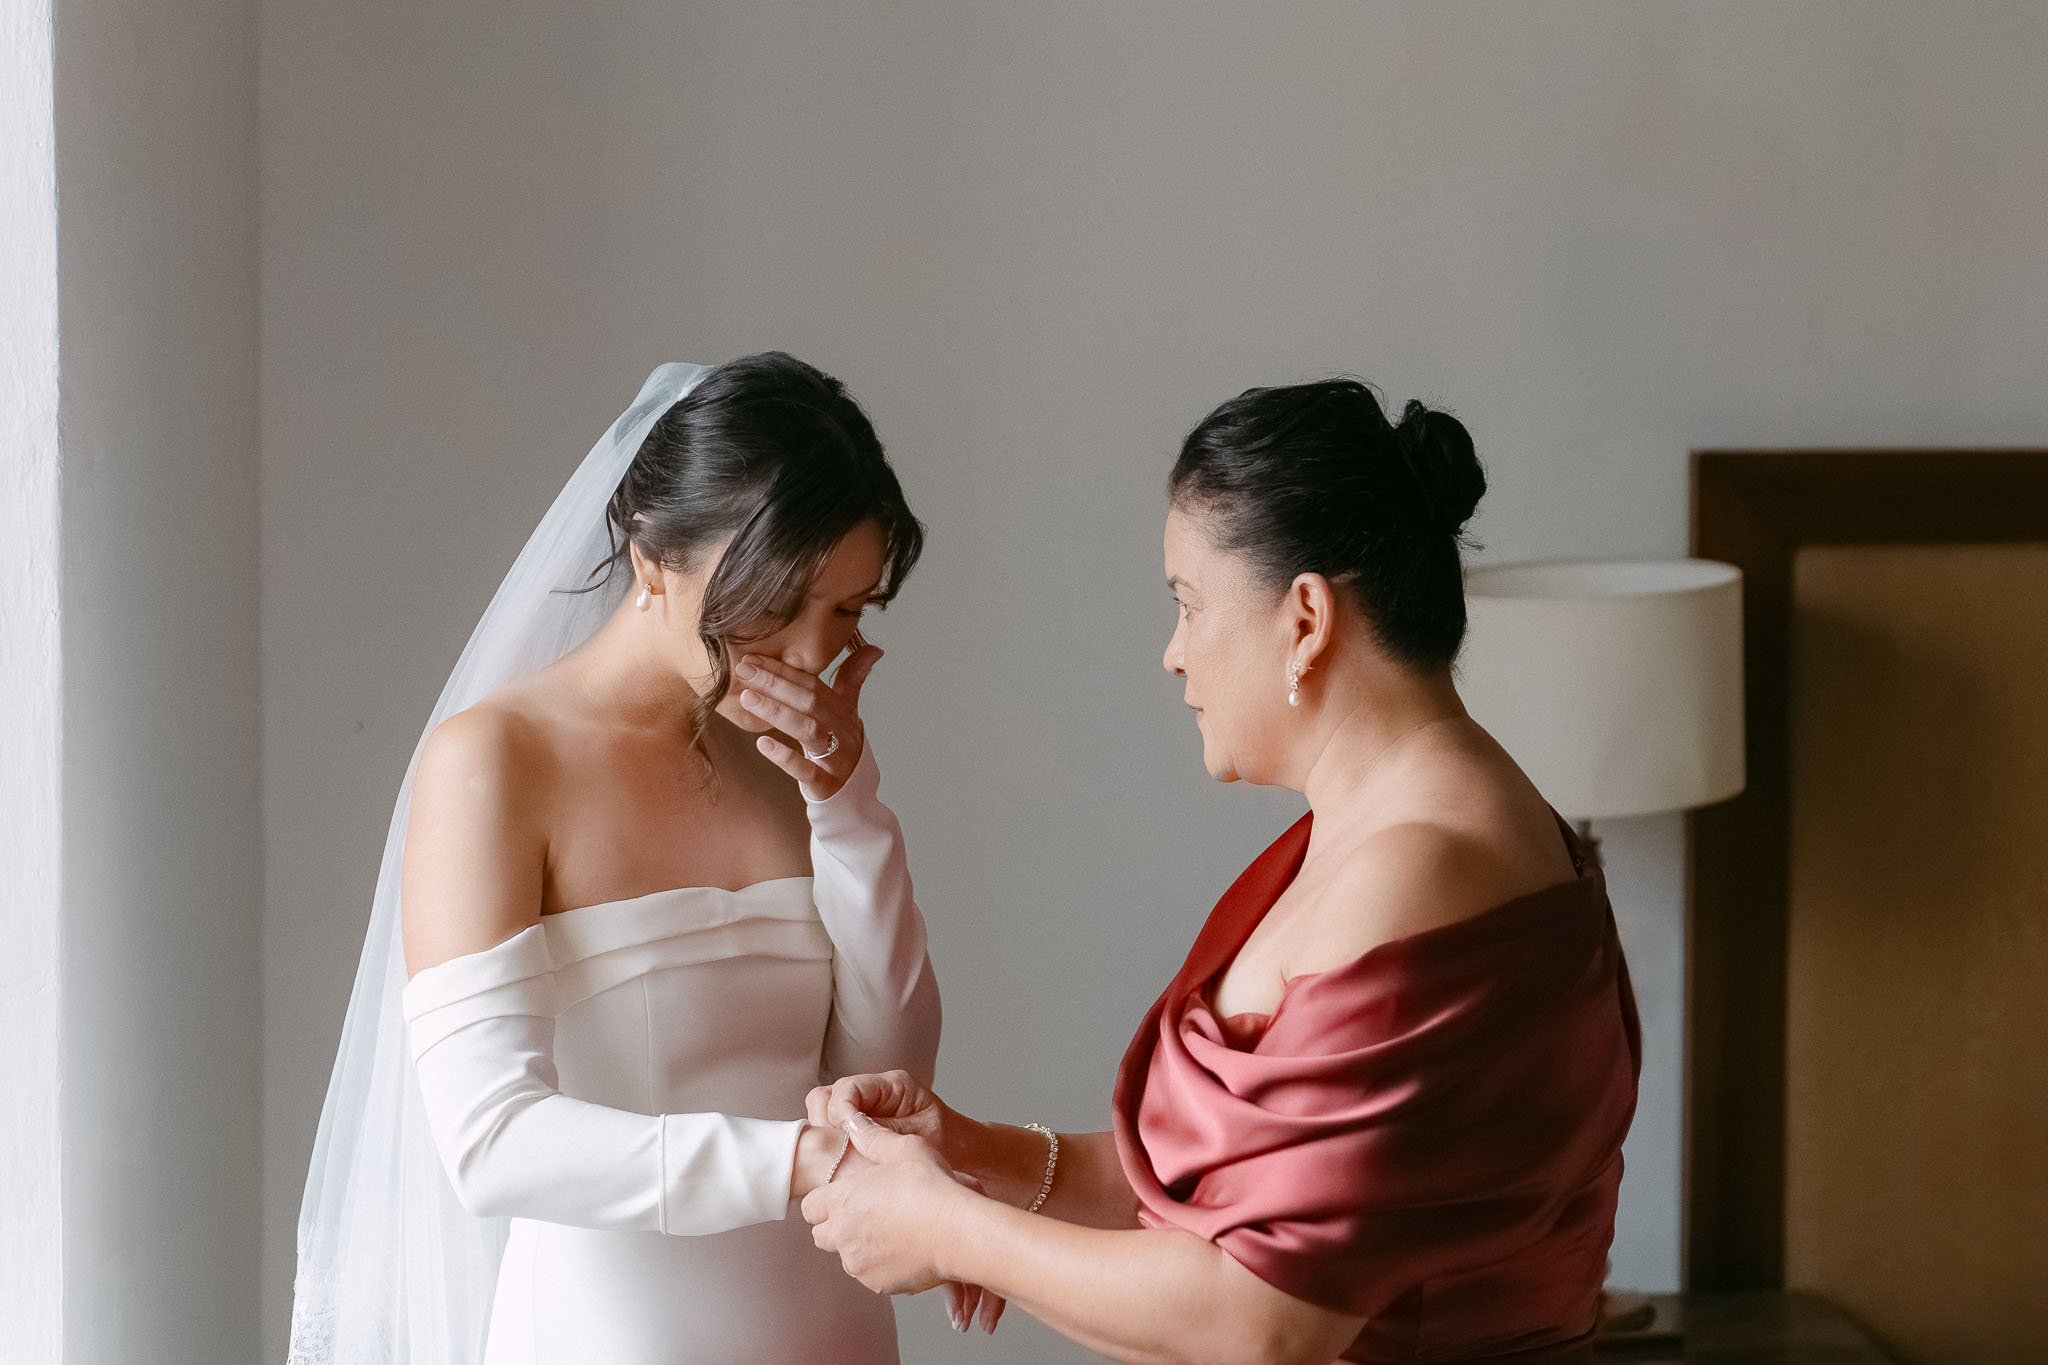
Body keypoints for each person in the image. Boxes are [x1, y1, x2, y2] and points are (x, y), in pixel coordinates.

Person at [802, 378, 1642, 1365]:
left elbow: (1264, 1318)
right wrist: (972, 1152)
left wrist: (948, 1229)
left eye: (1188, 606)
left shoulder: (1419, 872)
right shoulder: (1411, 829)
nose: (1172, 654)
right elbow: (1250, 1190)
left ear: (1305, 619)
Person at [287, 354, 940, 1365]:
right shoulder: (496, 761)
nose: (815, 656)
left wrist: (847, 806)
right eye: (783, 601)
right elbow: (489, 1139)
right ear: (651, 557)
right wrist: (799, 1161)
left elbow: (885, 1074)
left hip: (834, 1331)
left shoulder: (790, 760)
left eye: (849, 612)